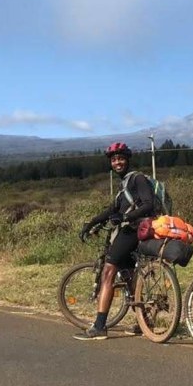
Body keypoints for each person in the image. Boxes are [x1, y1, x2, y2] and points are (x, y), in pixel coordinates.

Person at [74, 142, 156, 341]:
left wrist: (126, 218)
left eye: (120, 158)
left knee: (109, 271)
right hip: (132, 229)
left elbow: (149, 205)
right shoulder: (125, 185)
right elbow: (113, 210)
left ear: (127, 159)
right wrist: (92, 222)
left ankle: (100, 326)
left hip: (134, 230)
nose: (117, 162)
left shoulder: (137, 179)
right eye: (113, 160)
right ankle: (143, 321)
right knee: (128, 276)